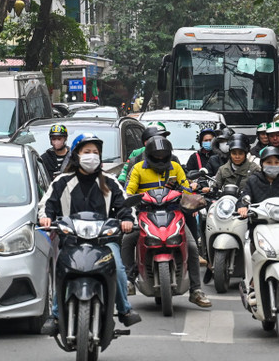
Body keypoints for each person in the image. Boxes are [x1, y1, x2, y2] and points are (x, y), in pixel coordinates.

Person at [38, 133, 141, 334]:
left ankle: (124, 310)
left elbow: (124, 207)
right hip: (71, 241)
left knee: (119, 270)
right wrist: (46, 218)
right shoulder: (61, 181)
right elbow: (46, 205)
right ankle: (56, 316)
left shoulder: (110, 182)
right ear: (76, 155)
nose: (91, 156)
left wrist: (128, 220)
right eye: (87, 152)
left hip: (105, 241)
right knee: (61, 271)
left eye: (95, 152)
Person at [124, 135, 211, 308]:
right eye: (156, 155)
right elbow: (129, 191)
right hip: (145, 214)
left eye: (163, 155)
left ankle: (195, 290)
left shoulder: (176, 168)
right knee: (127, 240)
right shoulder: (138, 168)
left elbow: (188, 191)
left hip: (174, 214)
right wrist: (131, 202)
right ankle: (129, 280)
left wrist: (182, 189)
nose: (160, 158)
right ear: (149, 154)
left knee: (192, 246)